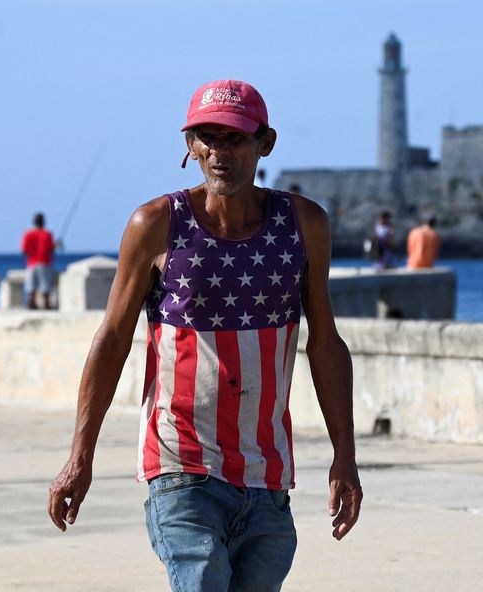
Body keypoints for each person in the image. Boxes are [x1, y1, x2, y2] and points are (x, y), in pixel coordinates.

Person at [47, 79, 362, 591]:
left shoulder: (302, 224)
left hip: (266, 472)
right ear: (190, 145)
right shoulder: (156, 223)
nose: (219, 153)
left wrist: (344, 458)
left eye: (235, 138)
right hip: (180, 465)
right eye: (206, 138)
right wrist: (79, 458)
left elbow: (326, 342)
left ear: (266, 142)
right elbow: (112, 339)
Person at [21, 212, 58, 309]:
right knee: (45, 287)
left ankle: (31, 304)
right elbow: (50, 249)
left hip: (31, 264)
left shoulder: (28, 234)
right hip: (44, 263)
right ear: (43, 222)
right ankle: (46, 305)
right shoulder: (47, 234)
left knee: (31, 288)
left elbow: (24, 251)